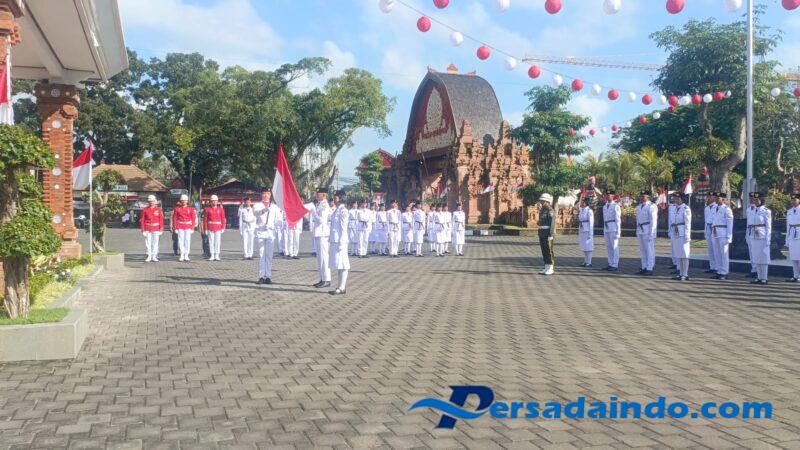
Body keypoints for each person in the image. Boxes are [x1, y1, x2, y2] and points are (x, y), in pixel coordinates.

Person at [253, 189, 280, 284]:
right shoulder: (257, 205)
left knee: (269, 256)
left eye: (268, 193)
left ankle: (268, 276)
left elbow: (279, 221)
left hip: (270, 233)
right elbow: (255, 213)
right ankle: (261, 276)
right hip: (261, 232)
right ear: (261, 194)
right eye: (264, 193)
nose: (266, 195)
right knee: (261, 255)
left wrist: (272, 226)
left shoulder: (275, 207)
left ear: (270, 195)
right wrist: (264, 210)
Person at [748, 192, 772, 284]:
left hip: (762, 236)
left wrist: (768, 238)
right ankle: (759, 277)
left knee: (763, 257)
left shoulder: (766, 211)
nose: (755, 201)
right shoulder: (753, 210)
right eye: (754, 200)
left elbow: (768, 226)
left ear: (761, 200)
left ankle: (764, 278)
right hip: (753, 235)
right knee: (756, 256)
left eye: (757, 199)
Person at [311, 188, 332, 288]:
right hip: (319, 233)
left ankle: (327, 279)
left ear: (324, 195)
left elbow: (321, 220)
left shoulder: (324, 205)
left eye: (318, 194)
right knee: (320, 258)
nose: (316, 195)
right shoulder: (319, 204)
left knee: (324, 257)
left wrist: (313, 212)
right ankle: (322, 278)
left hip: (323, 234)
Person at [328, 197, 350, 295]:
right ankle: (340, 286)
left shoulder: (343, 211)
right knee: (339, 264)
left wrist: (342, 241)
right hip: (335, 240)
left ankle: (342, 288)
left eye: (336, 197)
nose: (334, 199)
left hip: (340, 241)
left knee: (344, 264)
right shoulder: (337, 210)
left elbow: (344, 227)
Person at [711, 192, 734, 280]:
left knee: (723, 253)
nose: (716, 199)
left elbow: (730, 224)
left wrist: (729, 236)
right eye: (715, 198)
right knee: (717, 253)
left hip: (723, 233)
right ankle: (719, 271)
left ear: (723, 199)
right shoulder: (714, 208)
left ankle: (724, 272)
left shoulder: (726, 209)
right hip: (715, 232)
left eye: (718, 198)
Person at [635, 190, 658, 275]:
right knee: (642, 250)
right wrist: (637, 230)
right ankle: (644, 266)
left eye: (643, 196)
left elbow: (653, 220)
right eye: (641, 196)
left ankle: (649, 268)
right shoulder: (639, 206)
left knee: (649, 250)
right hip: (640, 229)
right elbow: (638, 219)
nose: (641, 197)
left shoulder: (652, 206)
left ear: (648, 196)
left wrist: (652, 233)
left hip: (648, 229)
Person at [670, 193, 692, 281]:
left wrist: (687, 235)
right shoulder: (675, 208)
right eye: (675, 198)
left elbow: (687, 223)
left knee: (685, 254)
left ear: (682, 199)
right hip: (676, 233)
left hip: (683, 233)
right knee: (678, 254)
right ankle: (680, 273)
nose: (676, 200)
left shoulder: (686, 209)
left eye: (678, 198)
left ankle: (685, 274)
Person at [171, 194, 197, 262]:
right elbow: (175, 218)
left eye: (185, 200)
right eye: (182, 200)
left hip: (188, 226)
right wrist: (175, 228)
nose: (184, 201)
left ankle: (186, 254)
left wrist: (192, 228)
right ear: (180, 201)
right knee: (180, 241)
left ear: (187, 201)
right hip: (180, 226)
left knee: (187, 241)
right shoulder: (177, 209)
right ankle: (182, 254)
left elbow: (193, 218)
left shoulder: (191, 209)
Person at [140, 194, 163, 262]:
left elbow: (161, 220)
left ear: (155, 201)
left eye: (152, 201)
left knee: (155, 243)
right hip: (147, 228)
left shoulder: (158, 209)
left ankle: (154, 256)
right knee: (148, 243)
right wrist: (143, 230)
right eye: (149, 201)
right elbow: (142, 220)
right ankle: (149, 256)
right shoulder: (145, 209)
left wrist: (161, 229)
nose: (151, 202)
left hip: (156, 228)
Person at [602, 191, 621, 271]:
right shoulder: (604, 206)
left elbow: (618, 219)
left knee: (614, 246)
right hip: (606, 227)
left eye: (609, 195)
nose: (608, 196)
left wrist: (618, 231)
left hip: (613, 227)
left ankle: (615, 264)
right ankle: (610, 263)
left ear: (613, 196)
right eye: (607, 195)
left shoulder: (615, 206)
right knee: (608, 246)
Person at [203, 195, 226, 261]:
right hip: (210, 227)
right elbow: (205, 219)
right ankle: (212, 255)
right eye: (212, 201)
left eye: (215, 201)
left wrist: (223, 227)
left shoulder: (220, 209)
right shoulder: (207, 209)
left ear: (217, 201)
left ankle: (217, 255)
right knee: (211, 242)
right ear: (210, 202)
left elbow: (223, 219)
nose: (214, 202)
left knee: (217, 242)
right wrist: (206, 229)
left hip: (218, 227)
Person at [538, 194, 555, 275]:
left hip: (548, 232)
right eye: (541, 200)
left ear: (547, 201)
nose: (541, 202)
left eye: (543, 201)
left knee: (549, 251)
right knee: (544, 250)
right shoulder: (542, 210)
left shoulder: (550, 210)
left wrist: (551, 234)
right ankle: (546, 267)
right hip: (542, 232)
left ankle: (551, 267)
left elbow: (552, 223)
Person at [703, 193, 719, 274]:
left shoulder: (717, 207)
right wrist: (705, 230)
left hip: (714, 228)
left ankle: (717, 267)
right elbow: (706, 221)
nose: (708, 198)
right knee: (710, 249)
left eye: (710, 197)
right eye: (708, 197)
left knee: (715, 248)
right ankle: (712, 266)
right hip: (708, 228)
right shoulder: (706, 208)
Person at [787, 194, 800, 282]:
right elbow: (788, 225)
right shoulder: (789, 211)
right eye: (792, 200)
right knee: (793, 257)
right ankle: (795, 275)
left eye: (795, 200)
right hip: (792, 234)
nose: (793, 201)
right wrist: (787, 239)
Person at [578, 198, 594, 267]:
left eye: (583, 202)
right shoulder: (581, 210)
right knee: (584, 246)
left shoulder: (589, 211)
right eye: (582, 202)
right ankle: (585, 261)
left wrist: (590, 233)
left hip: (587, 229)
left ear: (587, 203)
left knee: (589, 246)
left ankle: (589, 262)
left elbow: (591, 223)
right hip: (582, 229)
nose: (582, 203)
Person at [667, 194, 678, 270]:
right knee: (673, 247)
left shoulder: (682, 207)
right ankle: (674, 263)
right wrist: (669, 230)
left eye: (675, 197)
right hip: (672, 229)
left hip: (678, 229)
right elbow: (669, 220)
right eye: (673, 197)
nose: (673, 199)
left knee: (678, 247)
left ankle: (678, 264)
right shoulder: (671, 207)